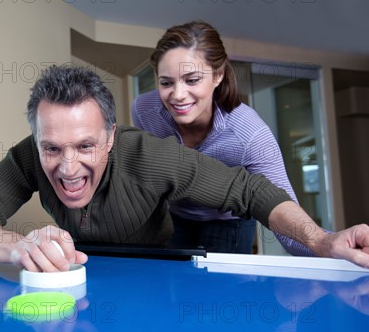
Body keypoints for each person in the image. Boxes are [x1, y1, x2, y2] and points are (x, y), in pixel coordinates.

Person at [0, 64, 369, 272]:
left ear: (111, 137)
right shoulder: (27, 156)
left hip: (157, 271)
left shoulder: (150, 155)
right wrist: (16, 247)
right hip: (87, 275)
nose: (68, 168)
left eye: (86, 145)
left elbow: (249, 191)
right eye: (52, 148)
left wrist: (322, 240)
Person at [132, 20, 310, 255]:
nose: (178, 95)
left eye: (192, 80)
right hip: (174, 216)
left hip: (228, 222)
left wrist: (328, 246)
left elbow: (283, 211)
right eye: (166, 82)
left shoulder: (250, 134)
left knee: (224, 290)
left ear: (217, 76)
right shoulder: (144, 111)